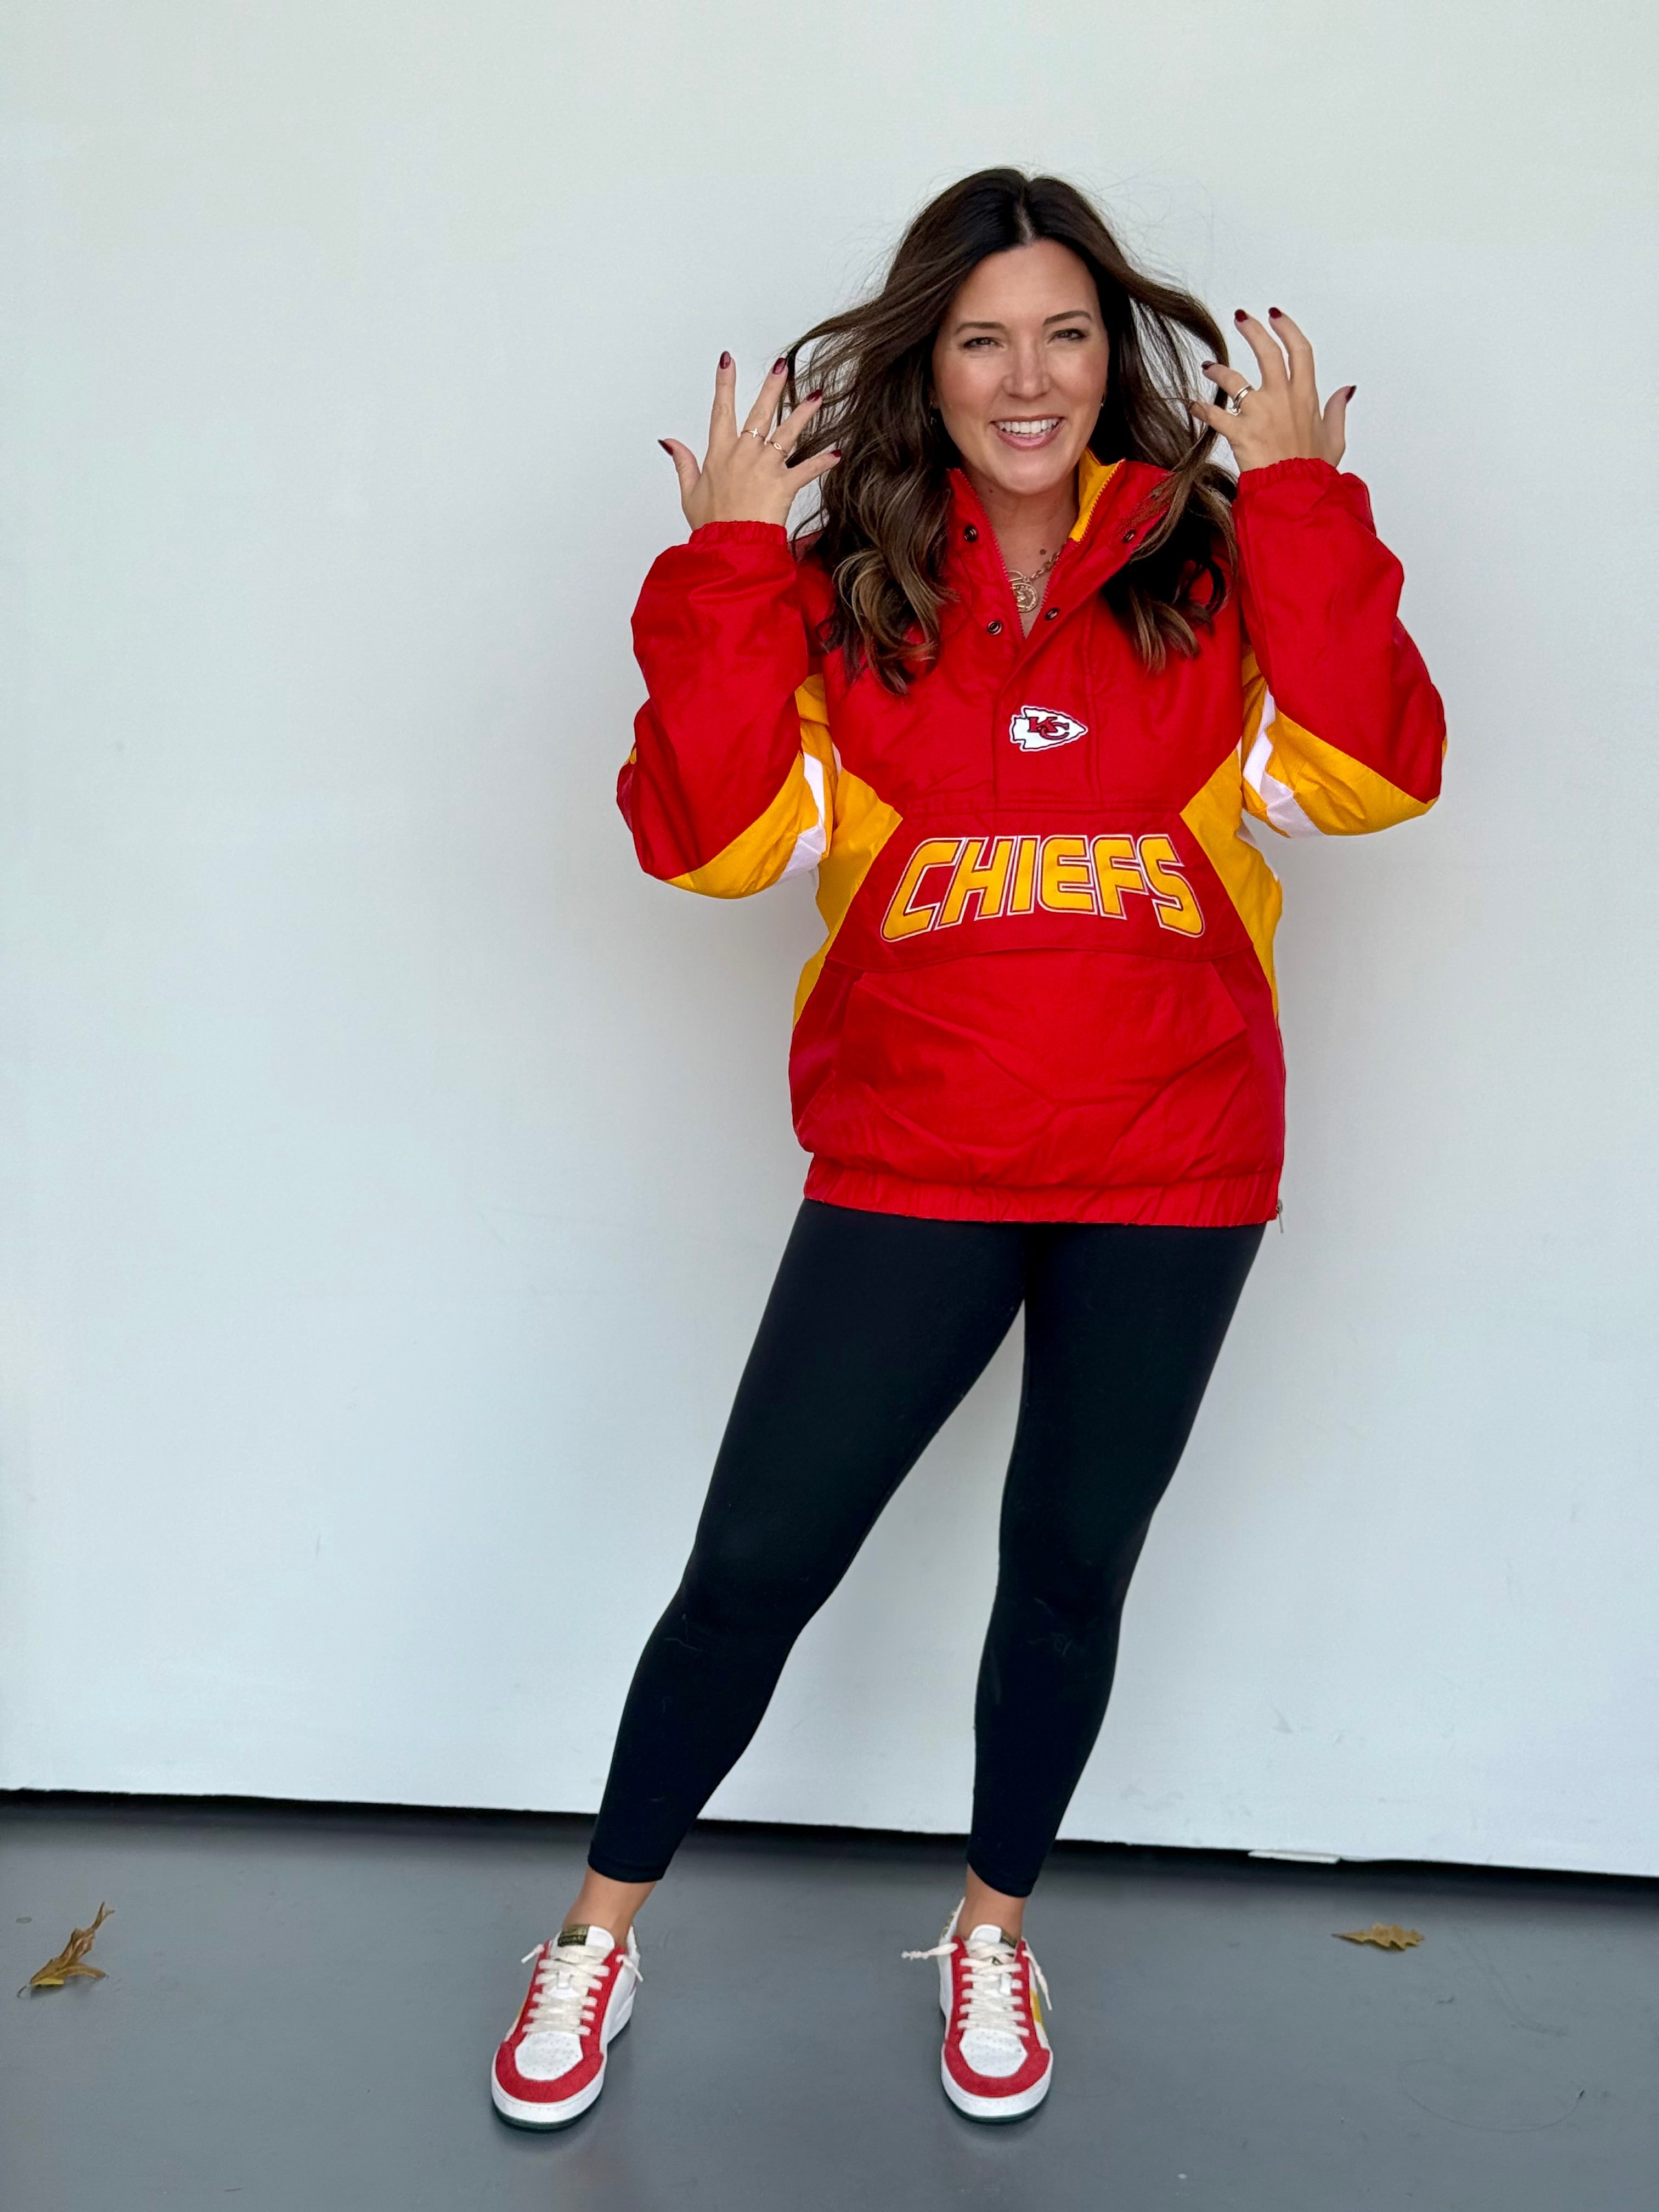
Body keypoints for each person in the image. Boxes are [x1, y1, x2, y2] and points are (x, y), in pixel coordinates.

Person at [489, 167, 1444, 2130]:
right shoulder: (843, 591)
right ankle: (595, 1930)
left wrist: (1303, 507)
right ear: (926, 367)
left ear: (1114, 357)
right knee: (756, 1562)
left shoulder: (1214, 567)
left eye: (1067, 334)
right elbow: (714, 845)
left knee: (1070, 1568)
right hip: (911, 1156)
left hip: (1172, 1163)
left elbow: (1368, 776)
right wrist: (729, 561)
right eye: (985, 339)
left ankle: (995, 1927)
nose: (1030, 378)